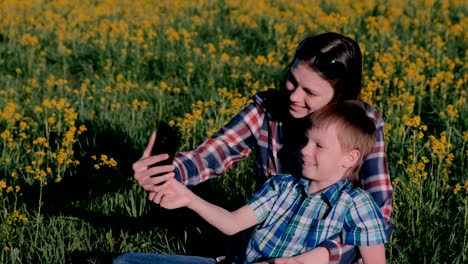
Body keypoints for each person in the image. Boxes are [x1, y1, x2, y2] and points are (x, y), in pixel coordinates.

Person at [126, 32, 393, 263]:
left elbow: (377, 220)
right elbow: (211, 155)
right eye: (292, 80)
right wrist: (164, 173)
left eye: (309, 93)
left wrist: (309, 259)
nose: (294, 96)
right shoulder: (268, 110)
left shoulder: (362, 127)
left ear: (340, 99)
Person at [114, 101, 388, 264]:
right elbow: (232, 224)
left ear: (349, 158)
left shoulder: (358, 205)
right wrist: (187, 196)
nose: (304, 150)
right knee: (125, 261)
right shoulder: (281, 186)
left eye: (319, 146)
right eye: (306, 141)